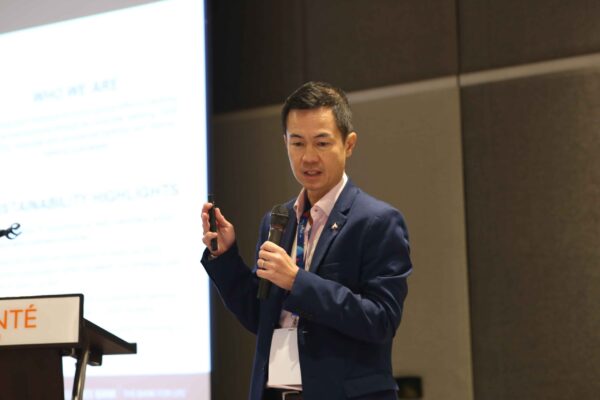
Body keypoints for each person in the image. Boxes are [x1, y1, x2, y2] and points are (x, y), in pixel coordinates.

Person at [201, 81, 412, 400]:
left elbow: (380, 320)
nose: (309, 157)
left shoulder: (377, 221)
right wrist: (226, 255)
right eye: (297, 143)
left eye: (322, 143)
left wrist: (297, 282)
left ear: (349, 144)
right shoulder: (277, 221)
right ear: (285, 143)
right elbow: (260, 316)